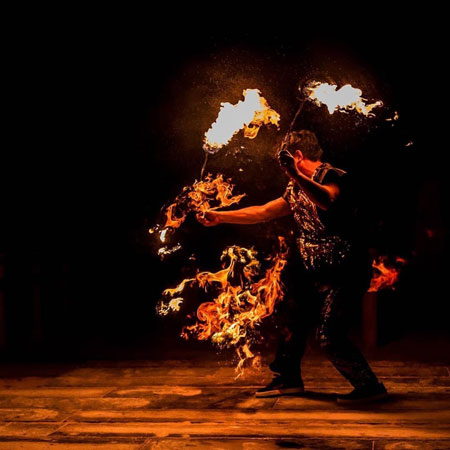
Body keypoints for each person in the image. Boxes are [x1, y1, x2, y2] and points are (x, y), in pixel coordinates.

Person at [197, 130, 387, 404]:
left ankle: (369, 387)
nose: (281, 166)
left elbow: (327, 200)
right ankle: (288, 378)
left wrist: (295, 175)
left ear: (297, 156)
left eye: (283, 159)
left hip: (345, 270)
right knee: (291, 322)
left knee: (329, 335)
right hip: (312, 271)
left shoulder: (332, 176)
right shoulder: (295, 188)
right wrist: (219, 217)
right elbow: (263, 212)